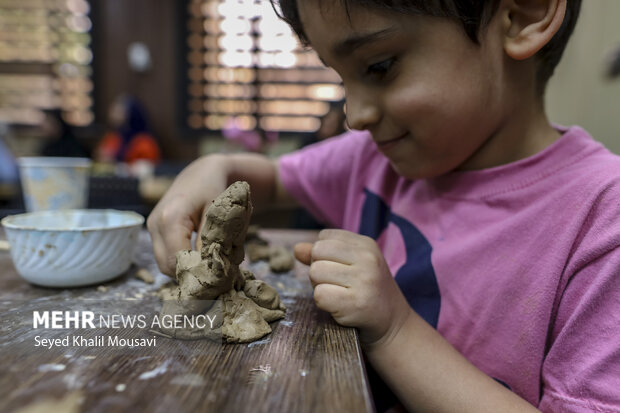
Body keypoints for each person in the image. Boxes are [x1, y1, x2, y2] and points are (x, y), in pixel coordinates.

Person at [148, 0, 620, 411]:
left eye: (379, 67)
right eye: (340, 78)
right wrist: (214, 169)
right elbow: (271, 179)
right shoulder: (375, 158)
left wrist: (394, 330)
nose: (355, 115)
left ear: (522, 15)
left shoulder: (601, 220)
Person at [96, 95, 161, 165]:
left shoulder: (144, 142)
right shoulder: (113, 137)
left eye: (118, 111)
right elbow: (100, 156)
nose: (112, 114)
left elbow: (145, 168)